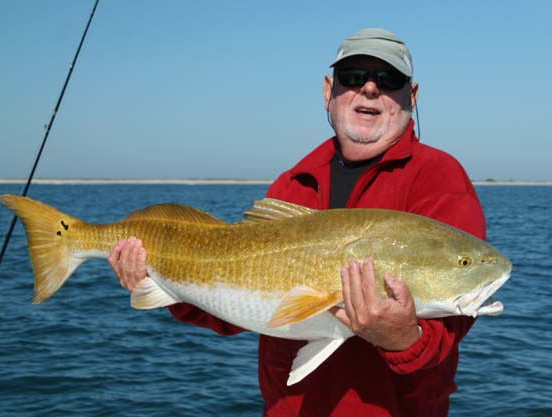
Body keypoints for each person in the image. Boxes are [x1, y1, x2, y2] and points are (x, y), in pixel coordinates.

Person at [109, 28, 486, 417]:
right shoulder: (293, 183)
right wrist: (162, 283)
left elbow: (446, 330)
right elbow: (237, 309)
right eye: (353, 77)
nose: (370, 89)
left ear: (412, 96)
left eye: (388, 79)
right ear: (329, 90)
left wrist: (404, 337)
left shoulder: (438, 177)